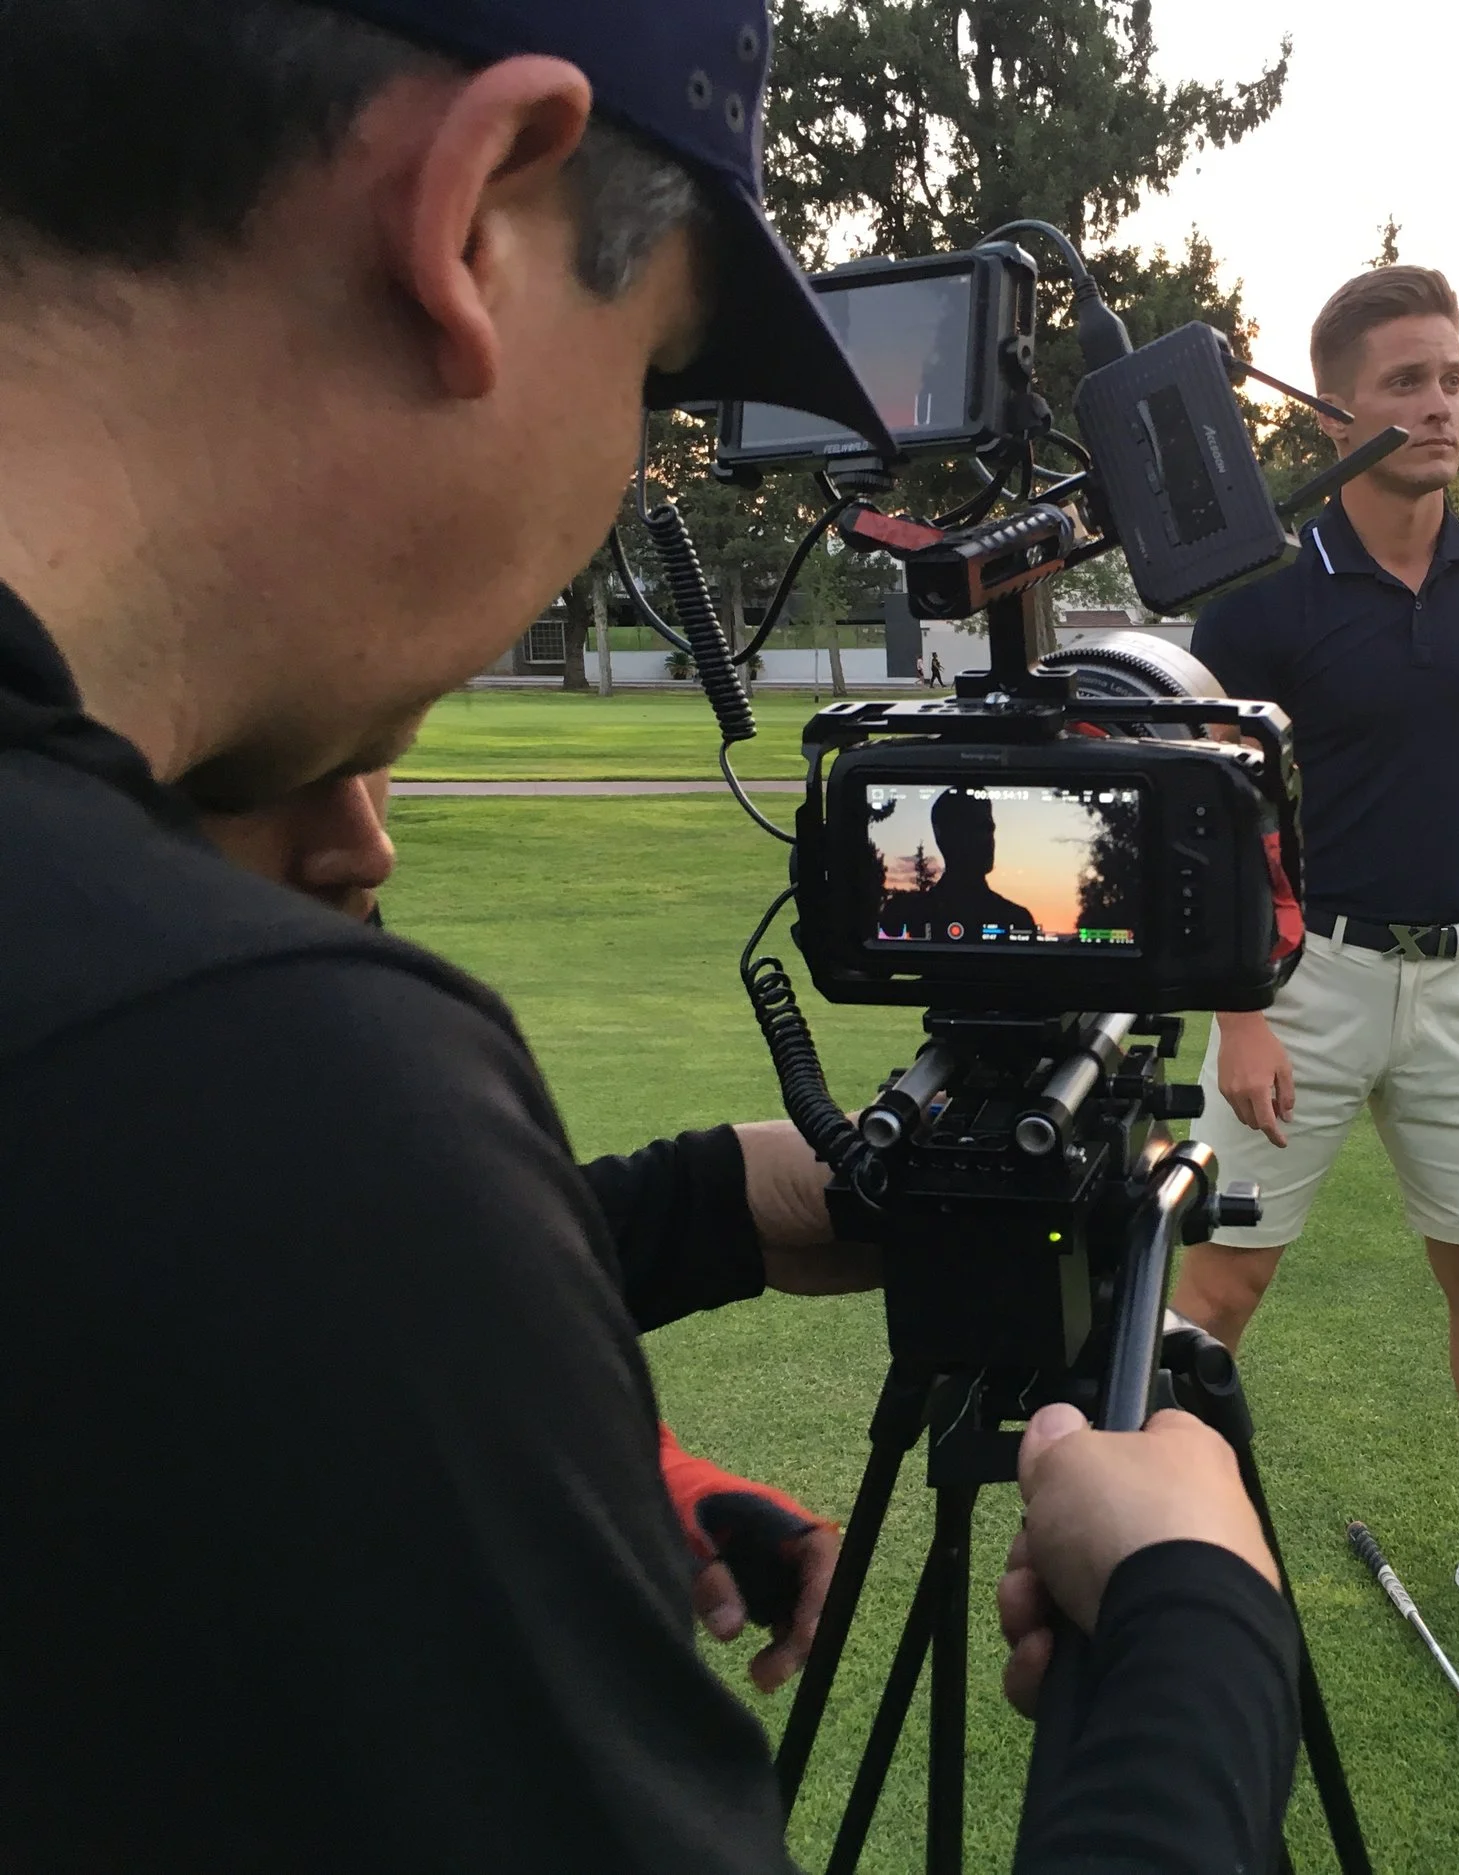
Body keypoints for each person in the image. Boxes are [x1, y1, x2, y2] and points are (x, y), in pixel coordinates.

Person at [0, 4, 1295, 1868]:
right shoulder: (239, 1079)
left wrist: (687, 1218)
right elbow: (221, 1198)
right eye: (658, 365)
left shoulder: (167, 1104)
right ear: (475, 216)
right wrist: (1196, 1632)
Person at [1175, 265, 1459, 1667]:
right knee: (1219, 1291)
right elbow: (1214, 818)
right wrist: (1240, 1009)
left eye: (1451, 378)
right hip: (1301, 986)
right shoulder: (1259, 605)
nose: (1438, 405)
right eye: (1405, 382)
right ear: (1335, 414)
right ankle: (1151, 1541)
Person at [199, 762, 848, 1691]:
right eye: (247, 778)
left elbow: (392, 1271)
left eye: (376, 753)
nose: (367, 846)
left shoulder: (277, 985)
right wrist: (1141, 1599)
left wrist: (646, 1477)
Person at [879, 786, 1038, 938]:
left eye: (988, 828)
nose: (986, 838)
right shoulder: (903, 914)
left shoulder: (1017, 920)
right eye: (972, 828)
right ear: (943, 836)